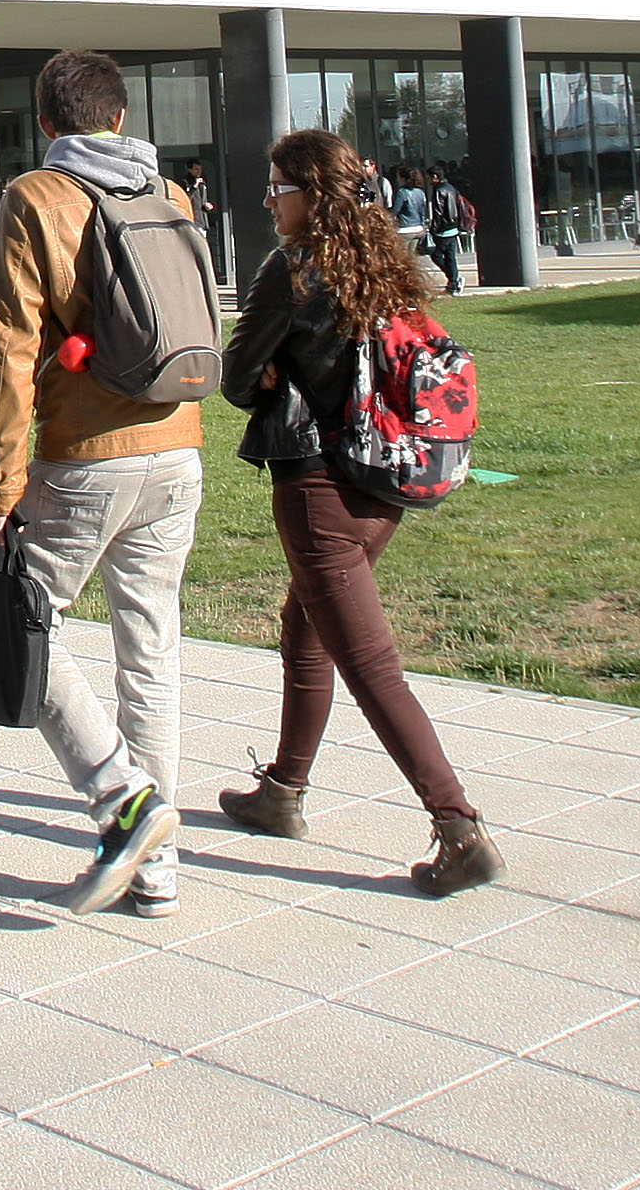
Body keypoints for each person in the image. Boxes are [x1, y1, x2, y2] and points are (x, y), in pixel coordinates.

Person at [218, 128, 502, 898]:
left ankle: (457, 825)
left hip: (320, 488)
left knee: (368, 662)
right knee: (306, 622)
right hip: (385, 483)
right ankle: (282, 792)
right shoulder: (383, 263)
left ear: (310, 194)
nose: (269, 200)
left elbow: (238, 379)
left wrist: (273, 368)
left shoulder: (294, 268)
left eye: (277, 186)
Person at [0, 49, 210, 917]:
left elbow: (10, 350)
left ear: (45, 123)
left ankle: (122, 799)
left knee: (20, 623)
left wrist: (1, 480)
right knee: (151, 648)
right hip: (179, 444)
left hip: (86, 457)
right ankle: (159, 873)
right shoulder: (171, 195)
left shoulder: (36, 197)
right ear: (119, 117)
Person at [422, 166, 470, 295]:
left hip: (443, 230)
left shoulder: (438, 190)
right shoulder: (451, 188)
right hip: (453, 228)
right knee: (450, 257)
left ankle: (453, 280)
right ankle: (453, 282)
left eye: (429, 177)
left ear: (435, 177)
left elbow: (438, 212)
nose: (428, 180)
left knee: (436, 255)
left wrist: (433, 229)